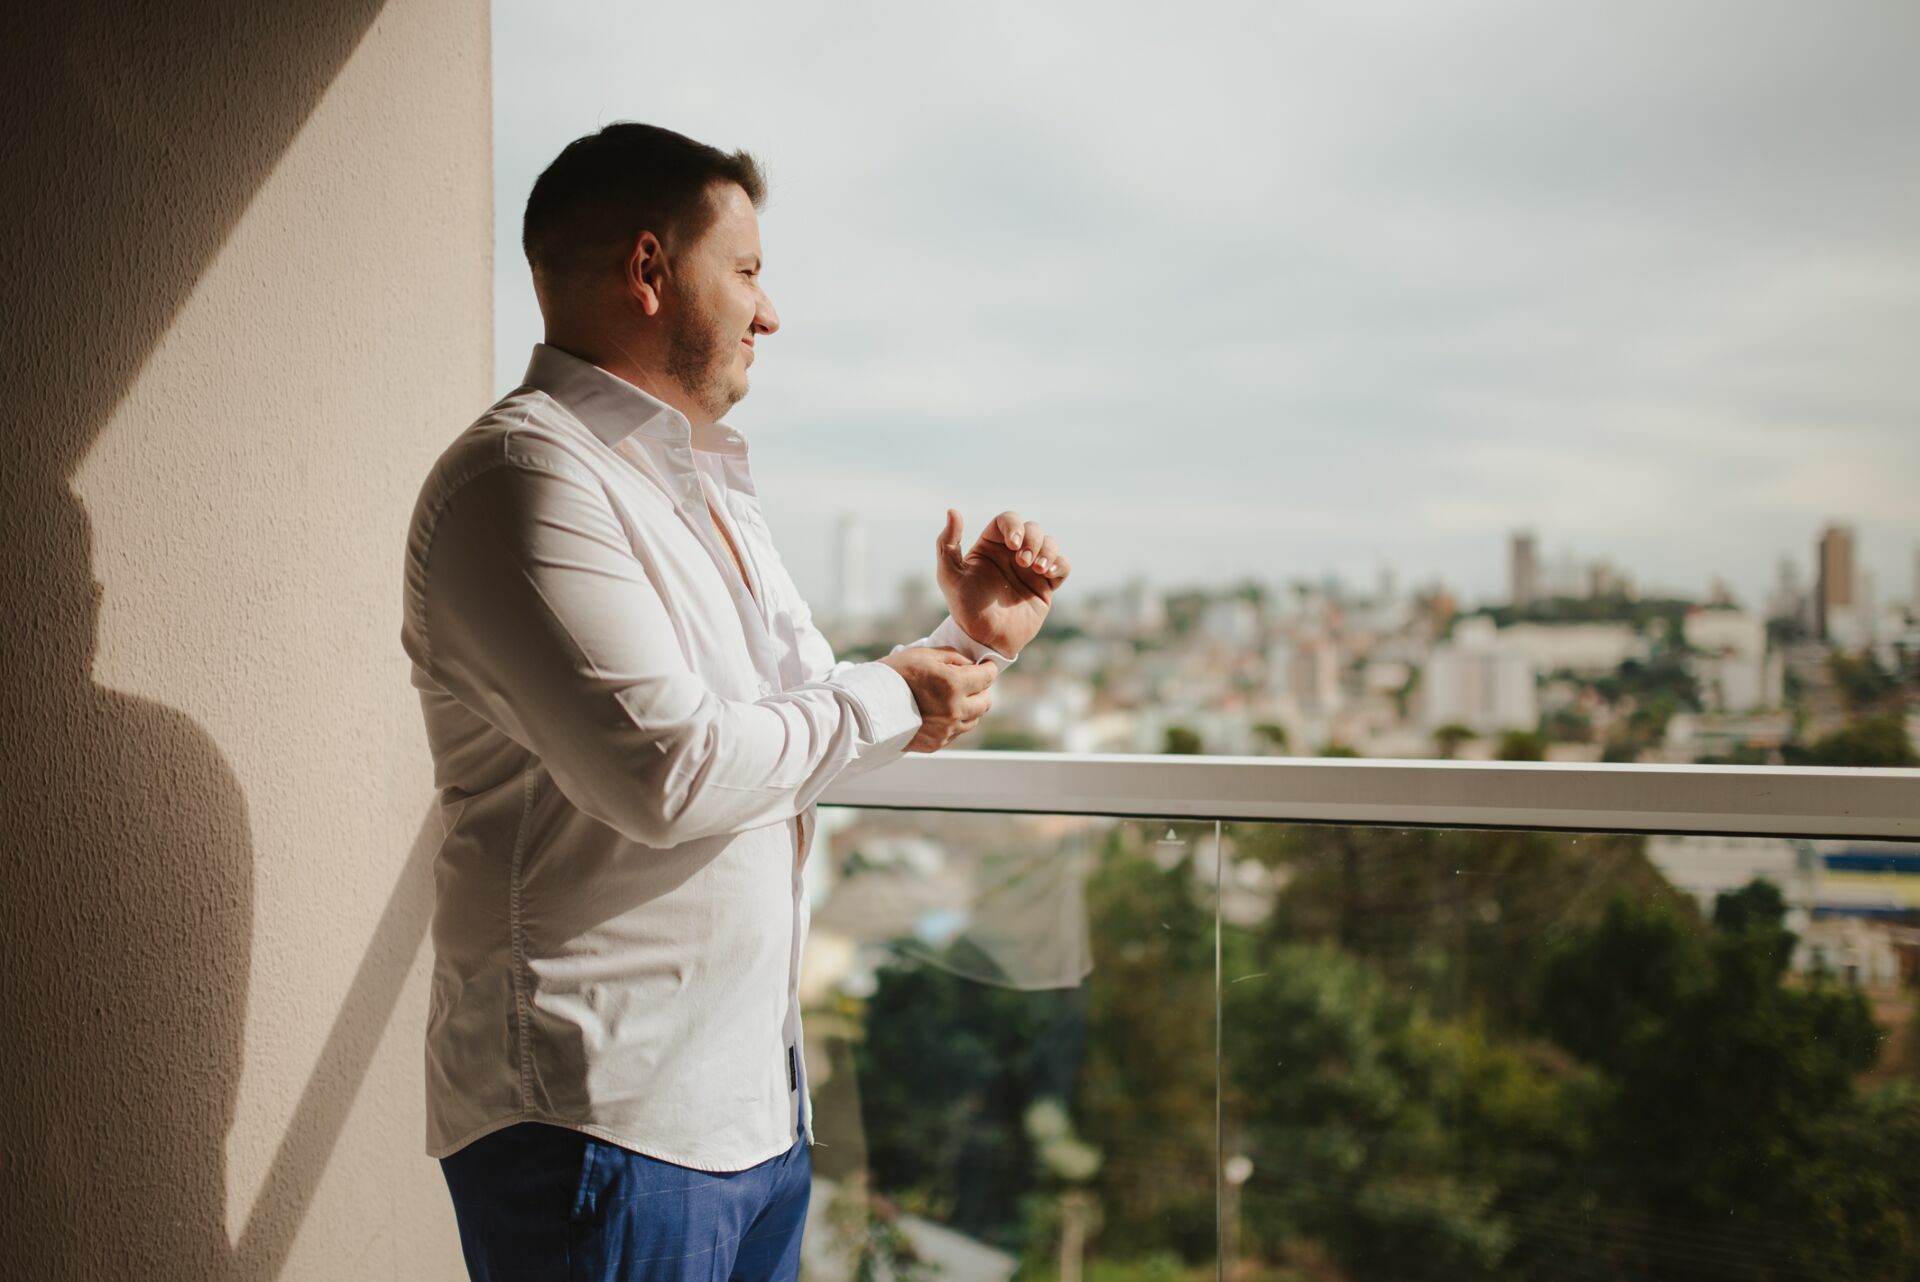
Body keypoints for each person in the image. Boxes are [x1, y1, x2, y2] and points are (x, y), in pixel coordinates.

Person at [399, 122, 1071, 1282]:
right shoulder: (521, 478)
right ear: (651, 271)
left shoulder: (706, 483)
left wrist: (963, 642)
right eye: (750, 271)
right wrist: (894, 689)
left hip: (752, 1109)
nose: (772, 313)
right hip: (604, 1123)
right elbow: (666, 774)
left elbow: (809, 730)